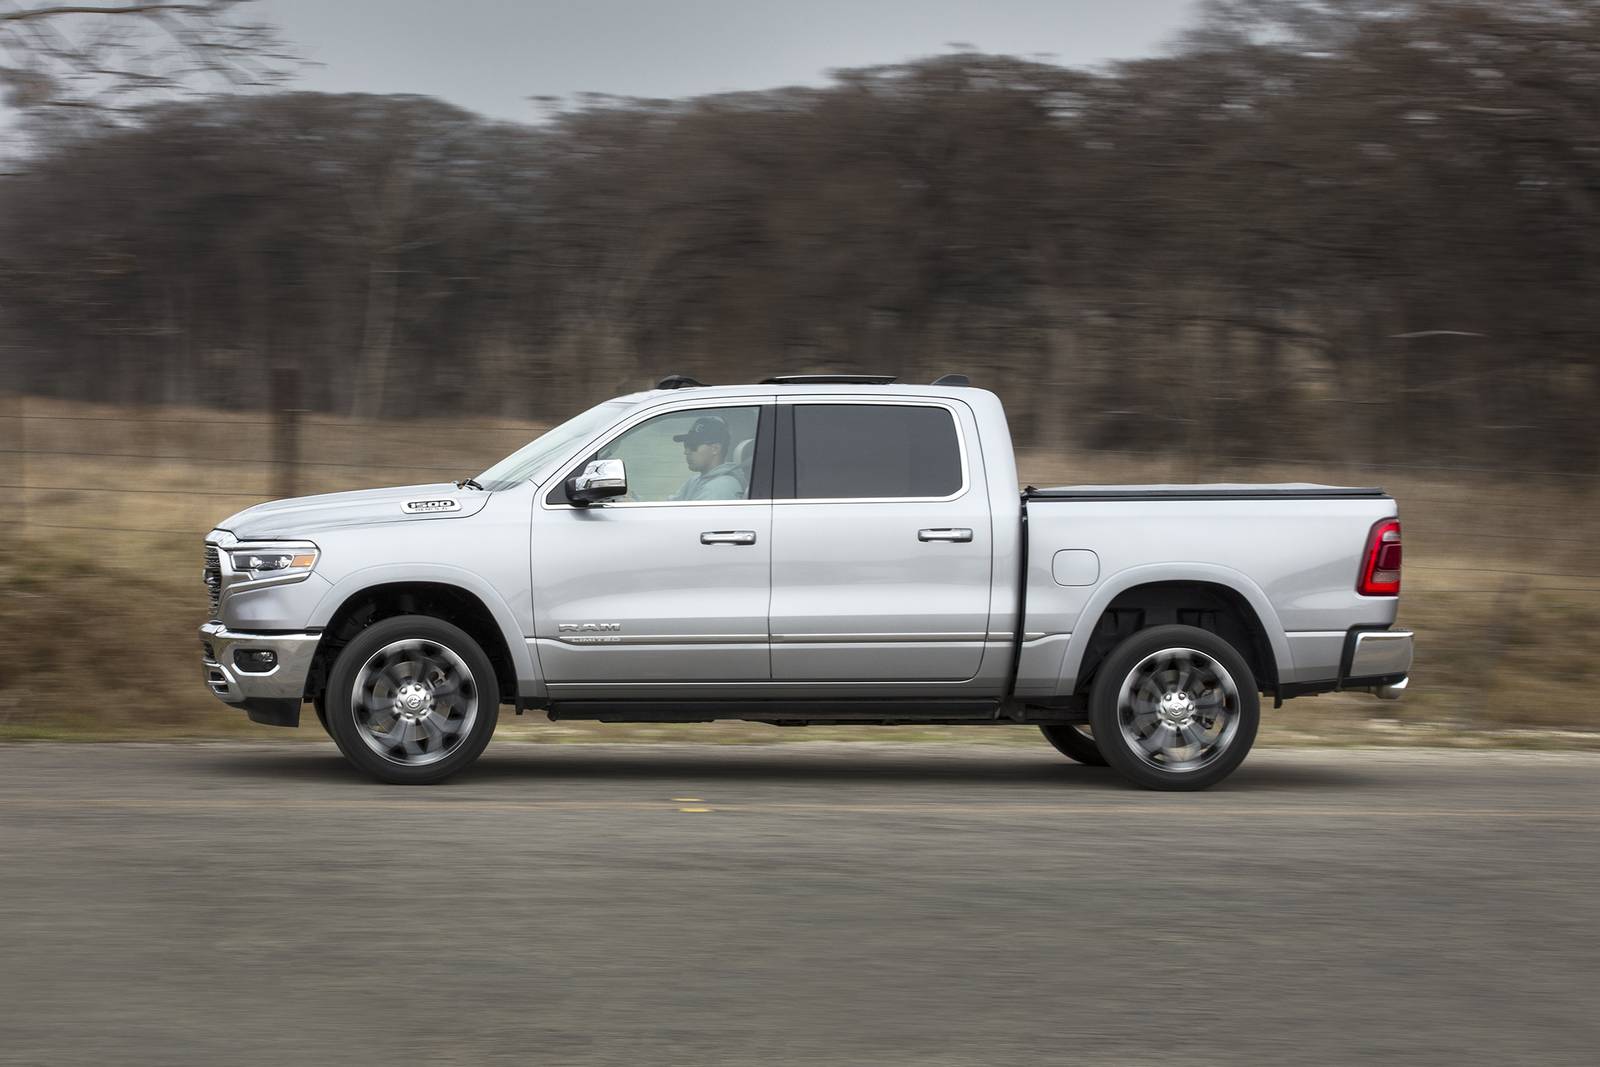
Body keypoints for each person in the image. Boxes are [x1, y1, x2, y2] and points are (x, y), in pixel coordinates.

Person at [670, 416, 747, 500]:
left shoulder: (719, 487)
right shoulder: (695, 481)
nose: (686, 452)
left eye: (693, 445)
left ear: (715, 449)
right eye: (686, 445)